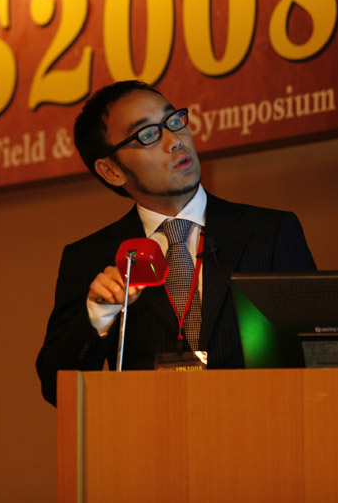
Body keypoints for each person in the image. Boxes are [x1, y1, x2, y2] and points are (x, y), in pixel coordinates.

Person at [36, 81, 316, 406]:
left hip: (259, 424)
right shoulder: (90, 257)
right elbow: (57, 389)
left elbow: (316, 352)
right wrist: (98, 313)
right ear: (111, 170)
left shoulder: (270, 231)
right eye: (148, 134)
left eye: (173, 121)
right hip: (151, 431)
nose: (174, 140)